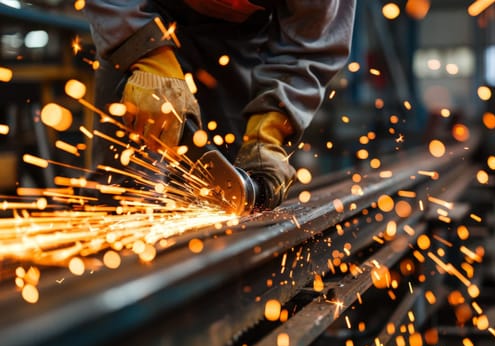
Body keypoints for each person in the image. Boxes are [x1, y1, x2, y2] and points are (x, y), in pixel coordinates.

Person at [82, 0, 355, 210]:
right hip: (144, 19)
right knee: (126, 196)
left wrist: (267, 132)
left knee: (230, 196)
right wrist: (147, 56)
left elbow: (311, 40)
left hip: (241, 45)